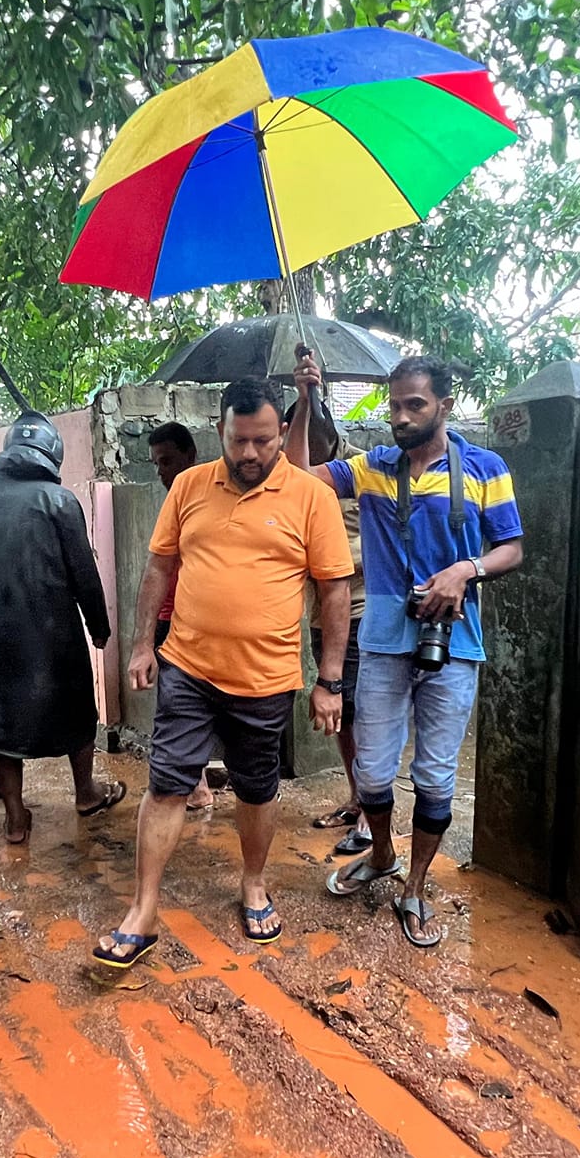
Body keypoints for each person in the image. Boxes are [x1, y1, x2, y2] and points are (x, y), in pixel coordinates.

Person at [95, 378, 352, 970]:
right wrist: (141, 647)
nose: (251, 454)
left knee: (258, 786)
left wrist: (329, 678)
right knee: (166, 783)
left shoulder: (310, 497)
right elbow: (159, 569)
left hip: (265, 678)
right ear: (220, 433)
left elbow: (334, 590)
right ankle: (144, 910)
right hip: (187, 665)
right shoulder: (188, 486)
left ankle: (254, 883)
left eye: (264, 441)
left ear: (282, 433)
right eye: (239, 441)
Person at [287, 351, 523, 948]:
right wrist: (306, 401)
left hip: (456, 641)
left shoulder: (485, 468)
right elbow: (296, 479)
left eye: (414, 405)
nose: (400, 416)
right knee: (369, 767)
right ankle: (384, 854)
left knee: (436, 776)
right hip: (386, 641)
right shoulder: (373, 467)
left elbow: (511, 549)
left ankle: (415, 887)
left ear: (445, 405)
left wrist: (463, 572)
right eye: (394, 405)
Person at [0, 413, 127, 844]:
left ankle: (15, 817)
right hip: (53, 637)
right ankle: (86, 793)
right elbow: (84, 571)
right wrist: (98, 626)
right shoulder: (58, 501)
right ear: (53, 455)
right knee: (76, 714)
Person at [289, 393, 371, 857]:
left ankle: (370, 813)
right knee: (342, 720)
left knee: (360, 714)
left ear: (334, 435)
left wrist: (334, 564)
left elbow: (370, 548)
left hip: (361, 614)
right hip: (321, 617)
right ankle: (358, 797)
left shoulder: (361, 472)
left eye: (318, 436)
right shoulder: (300, 482)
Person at [145, 422, 215, 812]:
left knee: (194, 704)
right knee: (176, 704)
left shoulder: (205, 502)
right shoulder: (172, 504)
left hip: (193, 622)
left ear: (190, 456)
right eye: (156, 463)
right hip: (167, 620)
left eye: (168, 461)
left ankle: (200, 786)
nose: (161, 472)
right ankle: (197, 784)